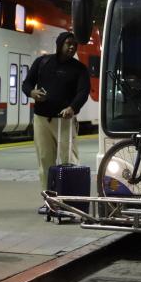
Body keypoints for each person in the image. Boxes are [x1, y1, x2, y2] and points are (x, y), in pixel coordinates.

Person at [22, 31, 90, 214]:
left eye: (74, 45)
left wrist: (73, 108)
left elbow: (83, 92)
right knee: (45, 161)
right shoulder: (42, 63)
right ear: (59, 44)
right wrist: (32, 93)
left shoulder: (79, 69)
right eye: (68, 44)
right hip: (41, 119)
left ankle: (70, 201)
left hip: (65, 121)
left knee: (69, 160)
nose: (72, 47)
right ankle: (49, 201)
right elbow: (26, 84)